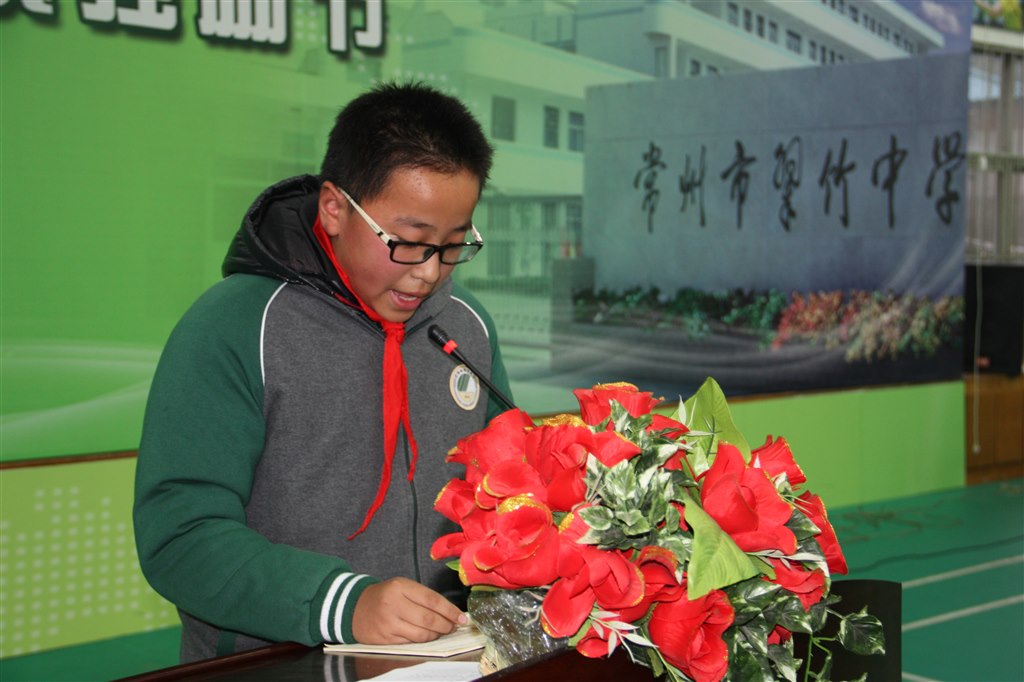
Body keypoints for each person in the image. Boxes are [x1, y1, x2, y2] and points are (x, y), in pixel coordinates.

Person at [133, 82, 512, 663]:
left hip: (450, 660)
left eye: (454, 244)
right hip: (272, 664)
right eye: (409, 242)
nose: (429, 273)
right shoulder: (235, 325)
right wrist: (341, 603)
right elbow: (181, 536)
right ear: (334, 208)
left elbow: (511, 487)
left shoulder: (466, 325)